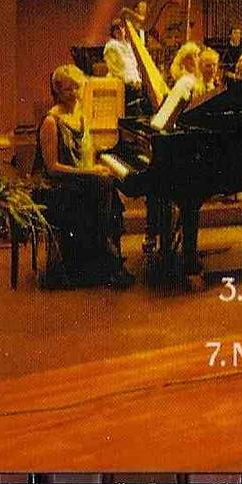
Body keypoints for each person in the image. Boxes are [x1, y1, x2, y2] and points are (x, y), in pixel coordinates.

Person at [33, 66, 133, 289]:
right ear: (57, 90)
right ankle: (105, 256)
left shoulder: (80, 115)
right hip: (56, 187)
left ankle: (103, 257)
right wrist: (90, 173)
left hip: (78, 182)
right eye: (69, 89)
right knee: (101, 185)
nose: (75, 93)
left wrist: (97, 167)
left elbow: (87, 156)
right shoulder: (51, 122)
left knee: (108, 183)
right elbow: (52, 168)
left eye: (77, 88)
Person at [103, 18, 142, 114]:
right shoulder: (111, 47)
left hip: (133, 84)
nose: (120, 30)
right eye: (117, 28)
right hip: (121, 84)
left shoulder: (129, 45)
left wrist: (138, 80)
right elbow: (117, 70)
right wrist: (132, 81)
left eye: (122, 27)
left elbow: (133, 66)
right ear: (113, 32)